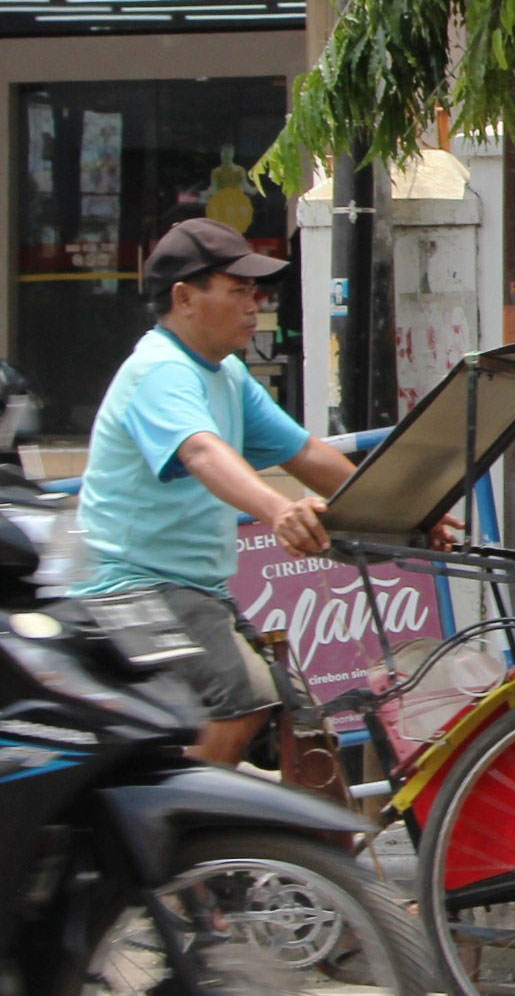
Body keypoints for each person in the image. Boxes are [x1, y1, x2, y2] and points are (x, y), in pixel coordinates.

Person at [68, 219, 425, 764]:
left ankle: (308, 846)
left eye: (253, 292)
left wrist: (405, 514)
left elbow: (305, 454)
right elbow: (202, 452)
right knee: (242, 702)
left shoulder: (226, 374)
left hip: (195, 591)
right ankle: (182, 841)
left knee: (304, 729)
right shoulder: (160, 370)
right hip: (135, 590)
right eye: (237, 291)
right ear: (185, 298)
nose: (253, 306)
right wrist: (279, 509)